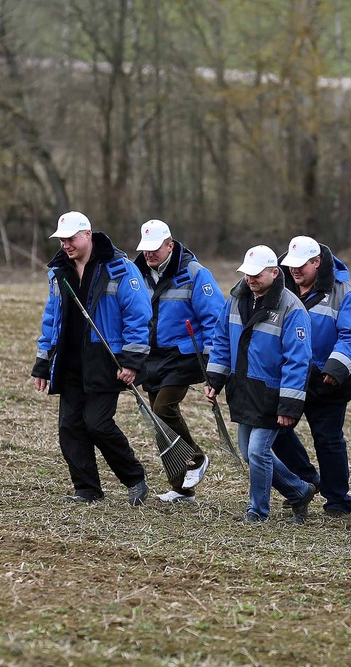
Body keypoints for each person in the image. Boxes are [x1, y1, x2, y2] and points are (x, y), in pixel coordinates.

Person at [32, 210, 152, 506]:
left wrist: (132, 361)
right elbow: (52, 319)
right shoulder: (59, 271)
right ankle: (87, 489)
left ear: (87, 235)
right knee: (69, 427)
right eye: (61, 240)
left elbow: (138, 316)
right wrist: (43, 363)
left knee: (97, 423)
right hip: (70, 361)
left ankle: (134, 478)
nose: (65, 245)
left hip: (105, 360)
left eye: (70, 239)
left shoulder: (120, 268)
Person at [206, 246, 316, 523]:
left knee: (257, 451)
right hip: (243, 391)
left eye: (256, 274)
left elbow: (298, 360)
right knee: (249, 453)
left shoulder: (292, 308)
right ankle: (298, 489)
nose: (250, 279)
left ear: (274, 273)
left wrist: (289, 405)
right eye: (247, 274)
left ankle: (257, 511)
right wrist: (215, 380)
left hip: (270, 394)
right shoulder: (235, 299)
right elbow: (221, 340)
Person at [272, 236, 351, 519]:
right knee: (276, 432)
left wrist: (334, 369)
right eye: (291, 265)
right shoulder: (278, 288)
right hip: (290, 377)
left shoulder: (345, 293)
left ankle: (338, 500)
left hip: (328, 382)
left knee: (328, 440)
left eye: (301, 266)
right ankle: (307, 480)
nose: (295, 271)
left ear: (317, 262)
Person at [132, 219, 225, 503]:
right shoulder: (137, 274)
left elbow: (215, 318)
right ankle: (181, 487)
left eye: (155, 248)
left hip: (184, 355)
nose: (149, 254)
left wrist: (214, 360)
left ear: (170, 245)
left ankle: (197, 458)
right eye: (145, 249)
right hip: (151, 356)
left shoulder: (195, 274)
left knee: (163, 409)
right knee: (158, 422)